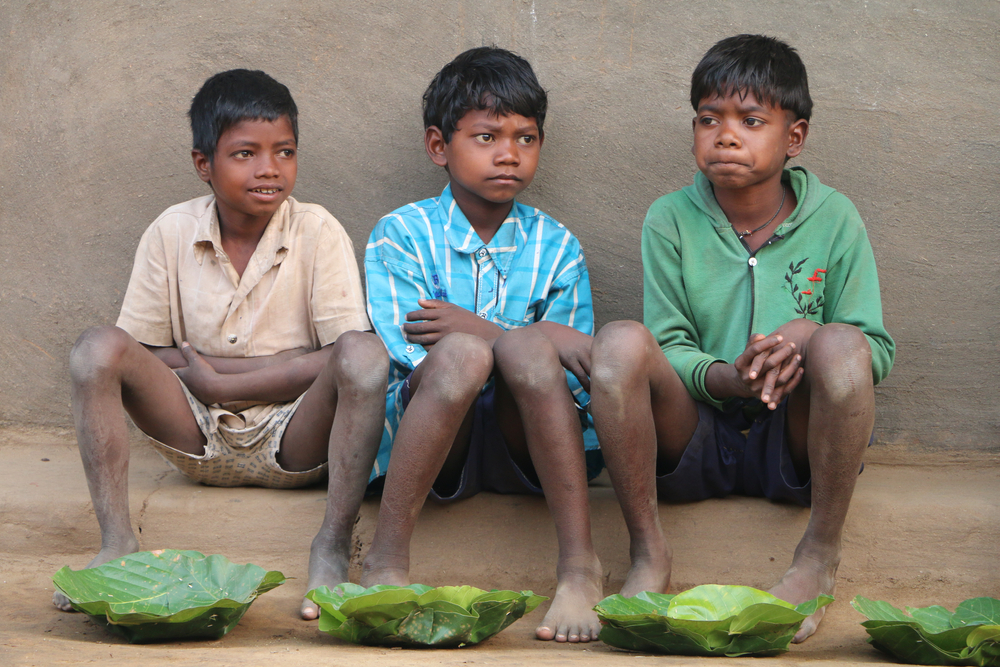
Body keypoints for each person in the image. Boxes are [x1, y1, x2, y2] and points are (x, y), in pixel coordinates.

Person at [588, 34, 895, 642]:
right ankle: (648, 552)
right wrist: (726, 375)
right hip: (697, 434)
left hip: (796, 440)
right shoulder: (670, 217)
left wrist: (805, 336)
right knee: (620, 342)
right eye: (709, 120)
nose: (726, 135)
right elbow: (668, 344)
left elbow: (872, 352)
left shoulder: (835, 217)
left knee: (839, 344)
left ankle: (817, 556)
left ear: (794, 137)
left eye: (751, 120)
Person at [53, 69, 389, 622]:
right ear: (202, 163)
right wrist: (264, 368)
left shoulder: (317, 230)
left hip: (295, 438)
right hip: (193, 428)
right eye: (245, 153)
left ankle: (330, 547)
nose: (268, 168)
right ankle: (116, 542)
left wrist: (223, 377)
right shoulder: (171, 230)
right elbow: (142, 354)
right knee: (96, 349)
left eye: (284, 151)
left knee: (367, 356)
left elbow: (348, 356)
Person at [362, 47, 604, 643]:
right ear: (439, 147)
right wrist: (531, 336)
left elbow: (575, 375)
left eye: (526, 138)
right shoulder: (401, 235)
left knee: (519, 355)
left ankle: (579, 567)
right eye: (487, 136)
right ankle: (387, 559)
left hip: (532, 438)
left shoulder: (557, 246)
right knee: (468, 358)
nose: (509, 154)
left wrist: (485, 329)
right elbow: (414, 355)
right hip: (441, 435)